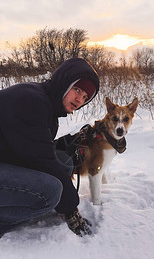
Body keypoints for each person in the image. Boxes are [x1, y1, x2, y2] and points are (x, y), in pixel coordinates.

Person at [0, 57, 99, 238]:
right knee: (51, 191)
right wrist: (70, 206)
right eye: (77, 89)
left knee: (64, 161)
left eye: (85, 97)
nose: (79, 100)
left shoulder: (43, 100)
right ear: (64, 82)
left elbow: (30, 146)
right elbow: (41, 160)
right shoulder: (32, 102)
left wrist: (67, 143)